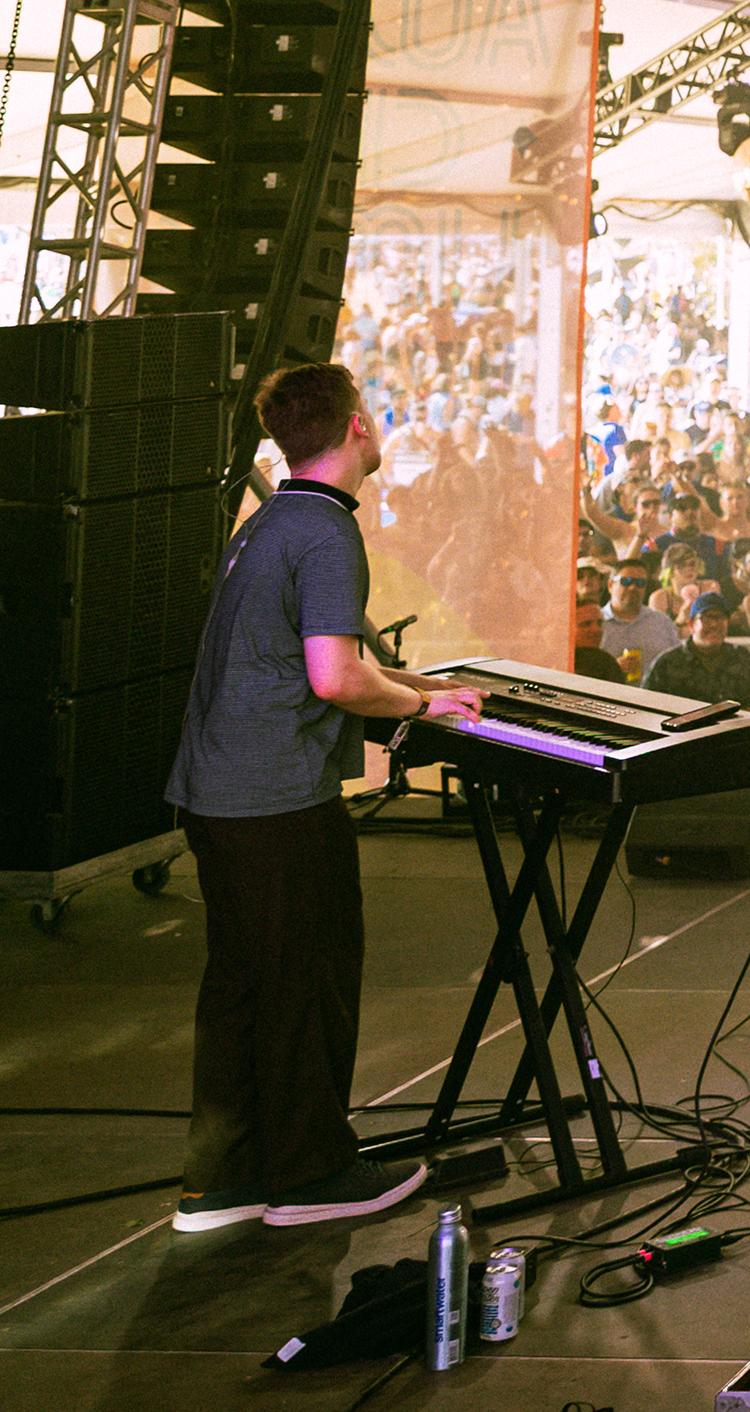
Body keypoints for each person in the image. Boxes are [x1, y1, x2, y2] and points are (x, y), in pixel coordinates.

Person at [167, 362, 486, 1233]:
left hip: (217, 793)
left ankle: (221, 1180)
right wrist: (420, 705)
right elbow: (334, 676)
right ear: (354, 428)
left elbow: (321, 657)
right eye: (372, 415)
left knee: (241, 983)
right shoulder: (326, 532)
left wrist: (422, 683)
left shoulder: (274, 518)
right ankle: (308, 1174)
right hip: (276, 799)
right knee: (308, 978)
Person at [643, 591, 750, 715]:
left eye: (720, 618)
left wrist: (731, 722)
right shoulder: (667, 663)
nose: (714, 624)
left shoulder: (741, 657)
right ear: (691, 625)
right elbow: (645, 707)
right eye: (706, 618)